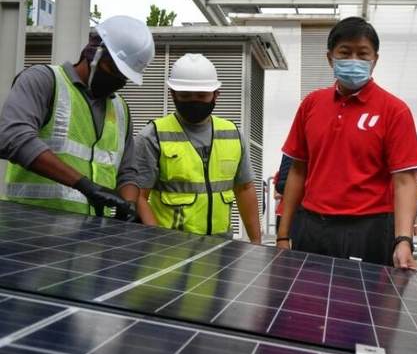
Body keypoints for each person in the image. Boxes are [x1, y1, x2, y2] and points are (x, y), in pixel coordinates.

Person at [277, 16, 417, 269]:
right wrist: (282, 235)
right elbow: (297, 170)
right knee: (304, 302)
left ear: (375, 60)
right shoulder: (311, 105)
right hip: (312, 228)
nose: (354, 60)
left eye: (363, 54)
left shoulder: (394, 111)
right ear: (330, 58)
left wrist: (403, 241)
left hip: (368, 231)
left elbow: (405, 181)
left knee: (361, 306)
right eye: (345, 52)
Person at [0, 15, 154, 220]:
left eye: (124, 77)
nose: (117, 80)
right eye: (113, 70)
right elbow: (13, 137)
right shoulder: (43, 81)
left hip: (89, 237)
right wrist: (84, 185)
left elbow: (127, 172)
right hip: (29, 227)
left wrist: (129, 205)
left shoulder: (120, 109)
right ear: (94, 54)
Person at [134, 53, 261, 243]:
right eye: (185, 96)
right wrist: (155, 240)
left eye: (202, 96)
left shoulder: (232, 134)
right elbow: (138, 196)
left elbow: (244, 189)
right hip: (170, 249)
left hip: (220, 249)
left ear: (216, 94)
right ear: (173, 94)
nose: (194, 101)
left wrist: (256, 244)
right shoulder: (153, 136)